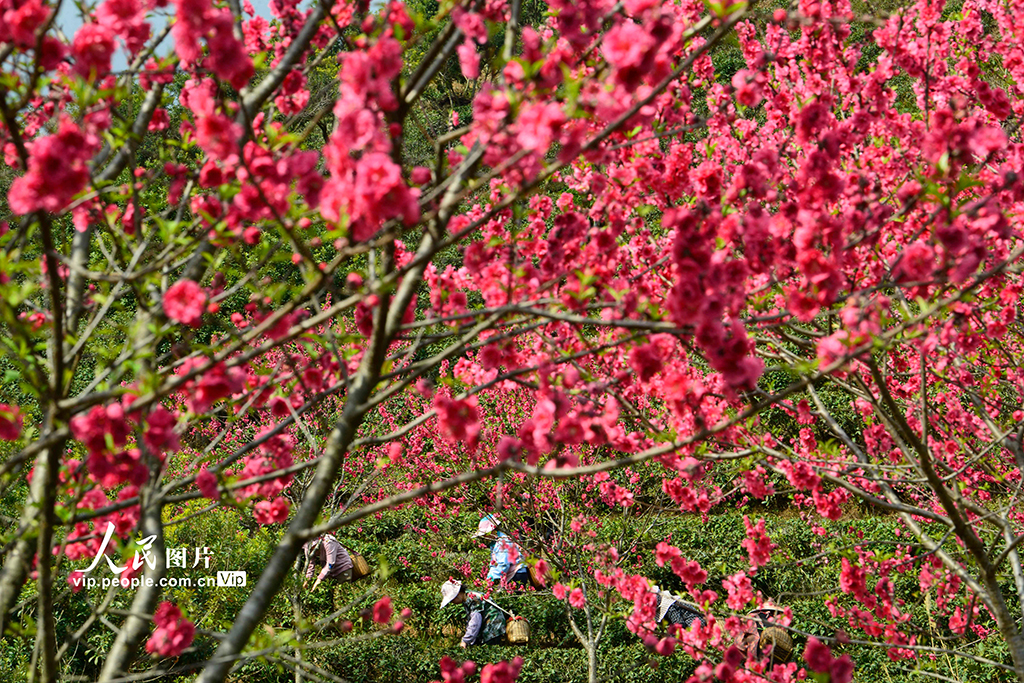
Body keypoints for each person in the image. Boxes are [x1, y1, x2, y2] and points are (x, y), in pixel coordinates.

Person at [440, 579, 507, 648]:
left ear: (457, 594)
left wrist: (465, 640)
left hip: (493, 627)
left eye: (452, 600)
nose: (452, 602)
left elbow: (475, 622)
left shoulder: (473, 598)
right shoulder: (467, 597)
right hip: (491, 627)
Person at [472, 515, 530, 588]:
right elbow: (495, 563)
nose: (485, 537)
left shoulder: (503, 542)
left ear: (492, 531)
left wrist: (491, 578)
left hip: (517, 574)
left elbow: (504, 564)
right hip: (509, 573)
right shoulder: (495, 543)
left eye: (486, 534)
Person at [302, 533, 354, 599]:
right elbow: (310, 565)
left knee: (343, 595)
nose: (312, 549)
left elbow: (330, 564)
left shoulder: (328, 542)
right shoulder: (307, 548)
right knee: (330, 596)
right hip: (330, 573)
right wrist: (307, 580)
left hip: (342, 568)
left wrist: (319, 579)